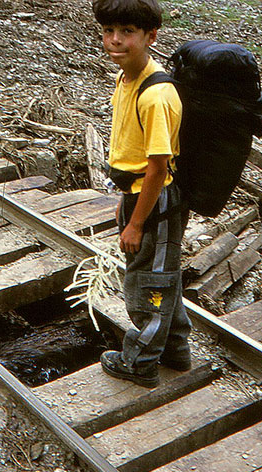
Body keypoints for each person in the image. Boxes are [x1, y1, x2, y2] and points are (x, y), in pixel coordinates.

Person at [93, 0, 192, 388]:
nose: (115, 41)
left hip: (158, 200)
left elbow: (157, 166)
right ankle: (176, 351)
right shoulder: (125, 79)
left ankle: (140, 362)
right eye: (108, 31)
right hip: (138, 193)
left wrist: (136, 222)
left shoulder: (157, 95)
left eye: (127, 32)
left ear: (151, 36)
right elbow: (133, 155)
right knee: (160, 273)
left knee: (148, 283)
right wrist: (125, 198)